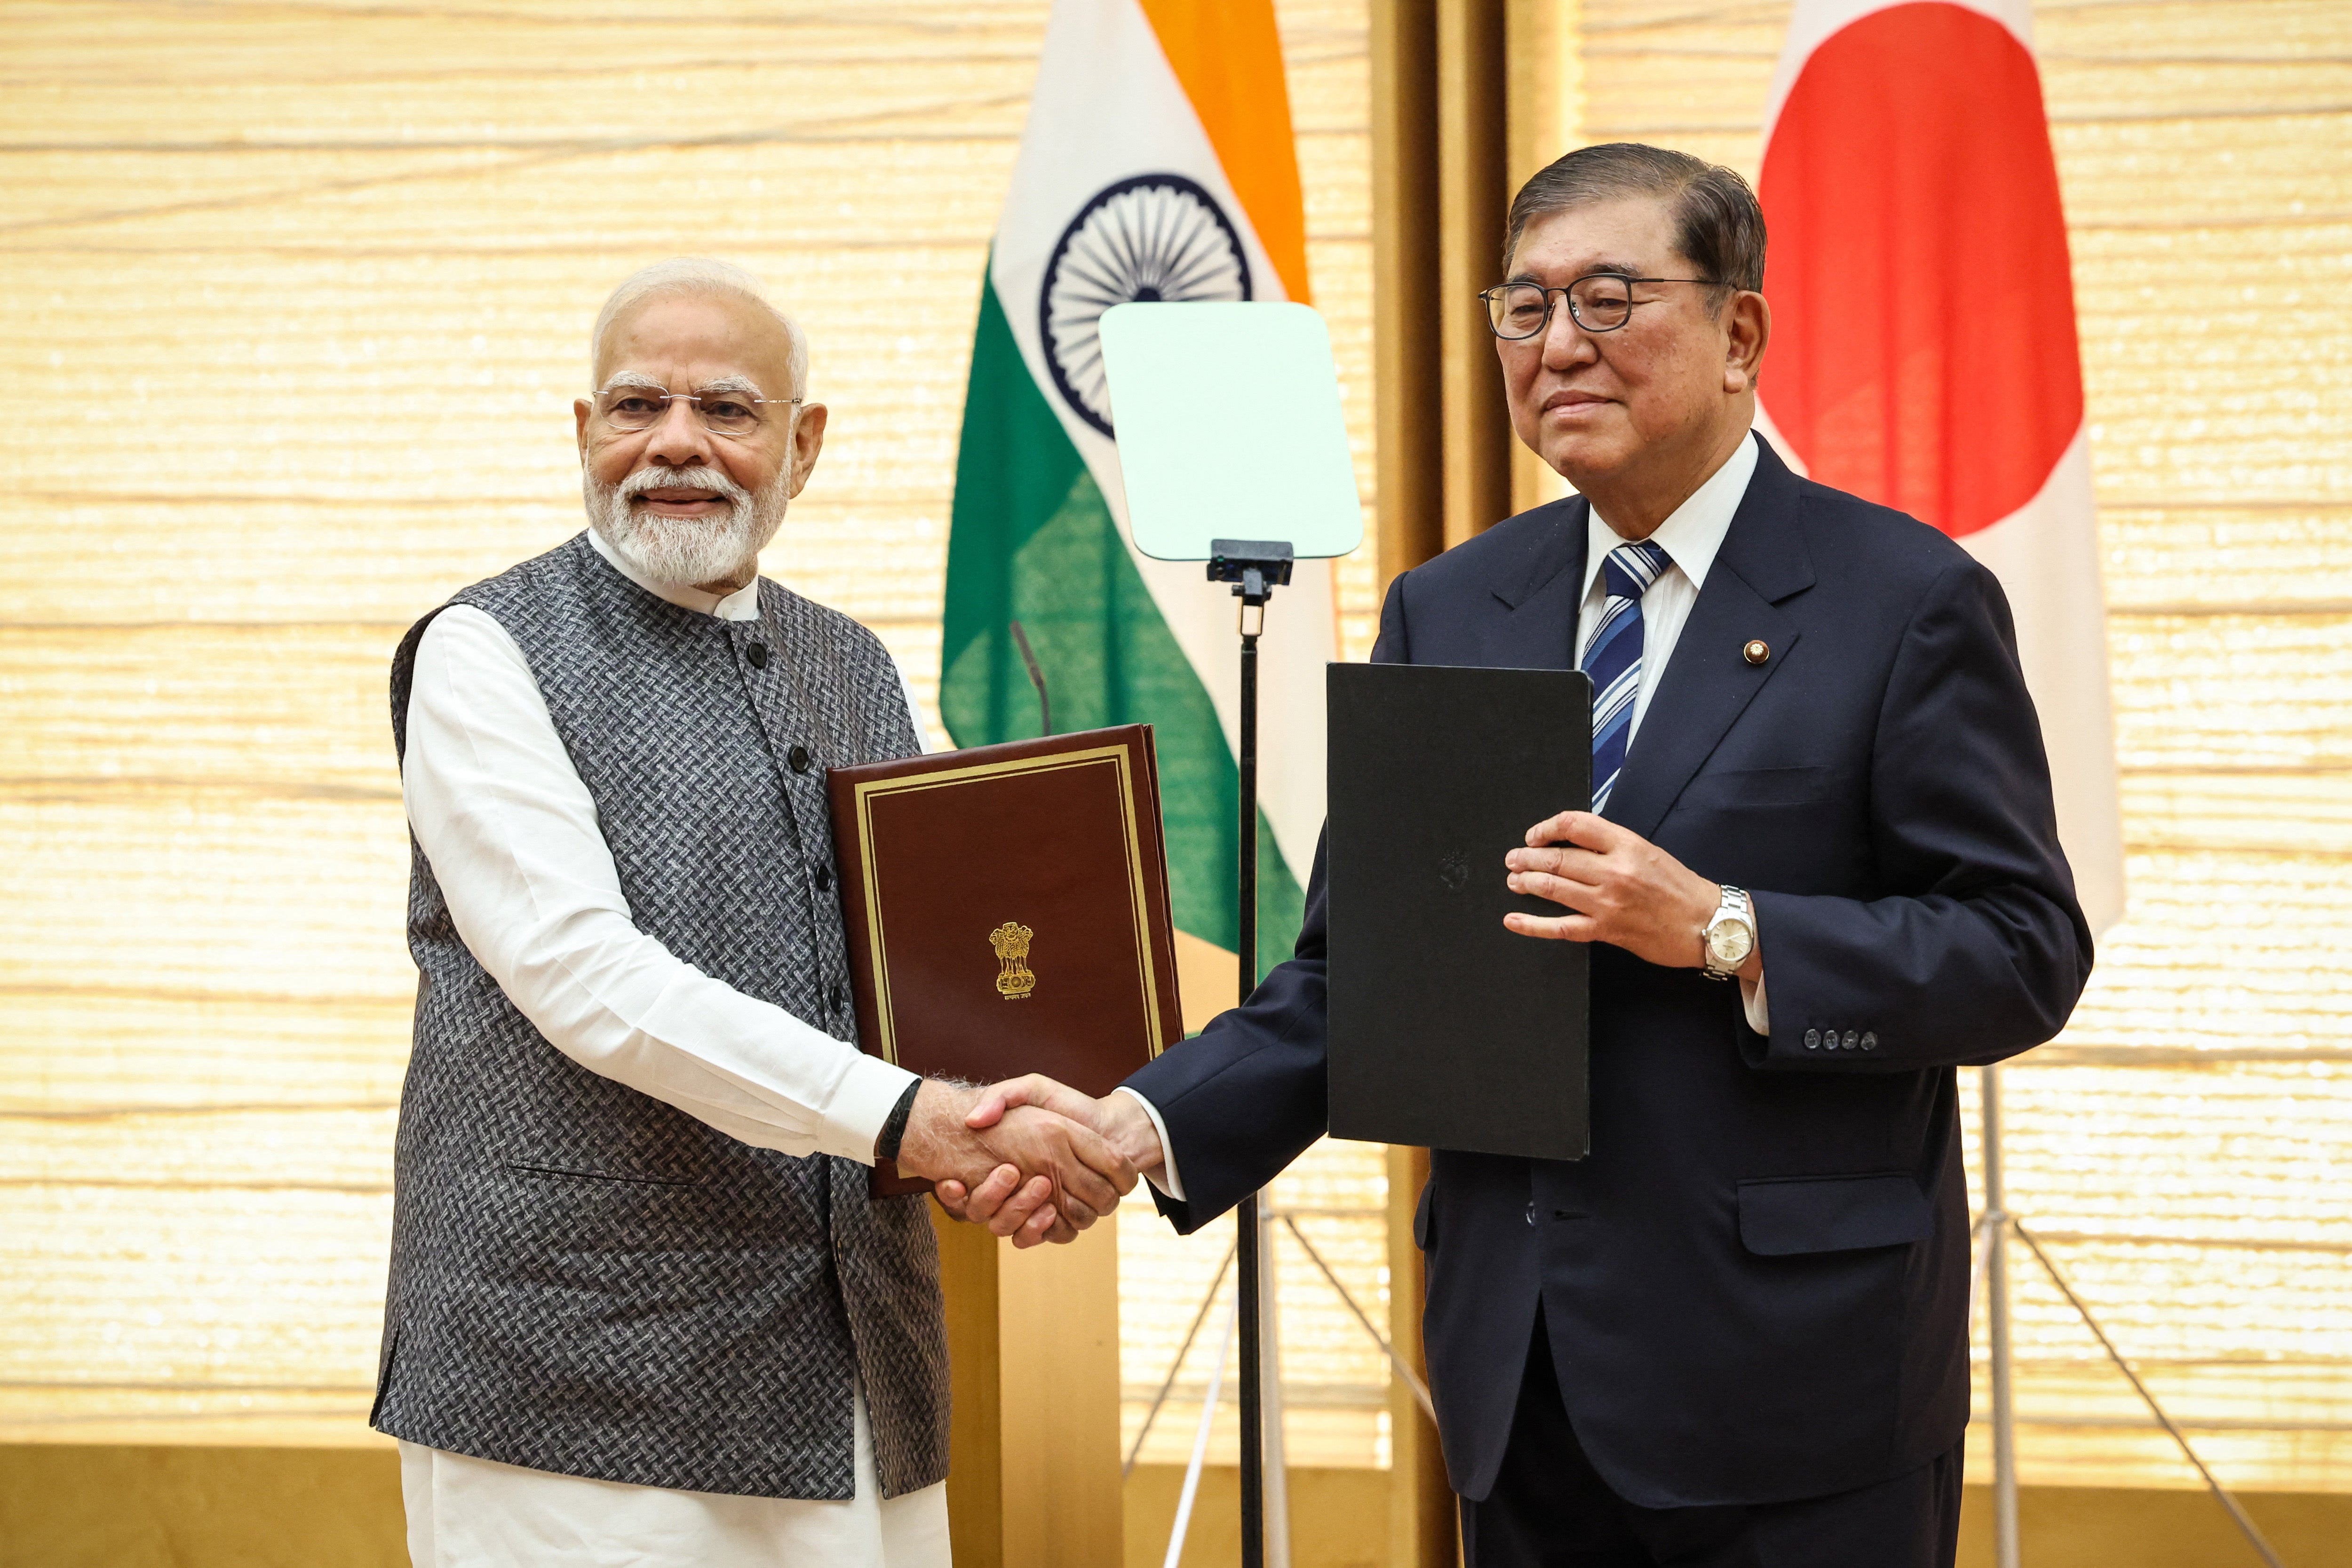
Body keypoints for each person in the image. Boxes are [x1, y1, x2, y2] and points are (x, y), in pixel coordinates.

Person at [947, 144, 2092, 1566]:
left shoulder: (1903, 600)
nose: (1559, 344)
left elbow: (2022, 949)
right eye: (1524, 307)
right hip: (1523, 1374)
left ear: (1741, 333)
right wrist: (1139, 1127)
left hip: (1799, 1390)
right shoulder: (1455, 604)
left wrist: (1725, 928)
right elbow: (1367, 972)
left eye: (1610, 298)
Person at [373, 257, 1130, 1568]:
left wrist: (1001, 1125)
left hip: (854, 1375)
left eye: (725, 408)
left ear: (804, 443)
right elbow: (586, 981)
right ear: (582, 435)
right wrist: (920, 1121)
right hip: (574, 1389)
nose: (675, 443)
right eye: (634, 407)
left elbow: (915, 994)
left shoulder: (853, 663)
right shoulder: (484, 651)